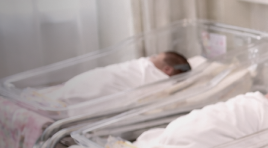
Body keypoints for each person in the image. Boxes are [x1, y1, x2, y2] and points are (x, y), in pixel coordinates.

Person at [132, 84, 268, 148]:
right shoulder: (254, 103)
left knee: (194, 132)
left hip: (200, 136)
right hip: (199, 121)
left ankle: (169, 144)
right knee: (201, 120)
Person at [48, 51, 191, 105]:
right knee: (98, 78)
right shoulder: (139, 66)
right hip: (106, 76)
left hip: (109, 85)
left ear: (167, 69)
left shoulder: (156, 77)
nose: (150, 58)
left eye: (155, 57)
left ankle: (66, 96)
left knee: (96, 86)